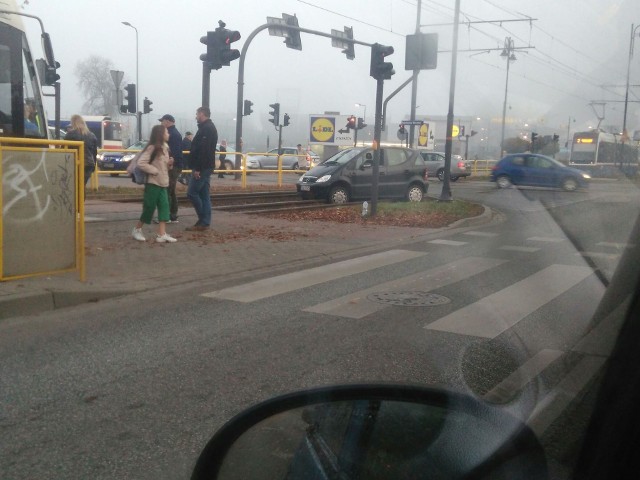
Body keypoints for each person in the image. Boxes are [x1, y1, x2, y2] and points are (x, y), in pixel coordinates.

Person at [131, 124, 177, 243]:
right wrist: (154, 171)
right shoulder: (153, 147)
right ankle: (137, 229)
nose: (169, 134)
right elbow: (141, 163)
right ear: (160, 134)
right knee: (149, 207)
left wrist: (170, 164)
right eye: (166, 132)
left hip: (163, 183)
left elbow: (164, 166)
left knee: (164, 207)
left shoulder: (165, 148)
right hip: (153, 183)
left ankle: (161, 234)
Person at [186, 106, 217, 231]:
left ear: (202, 114)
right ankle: (205, 222)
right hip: (206, 166)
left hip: (202, 167)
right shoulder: (207, 128)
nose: (196, 116)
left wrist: (198, 168)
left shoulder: (207, 129)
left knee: (192, 193)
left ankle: (203, 219)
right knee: (204, 195)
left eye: (197, 113)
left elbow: (204, 150)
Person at [158, 114, 183, 223]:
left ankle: (168, 215)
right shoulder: (173, 133)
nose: (161, 123)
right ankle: (171, 215)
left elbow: (175, 151)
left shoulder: (173, 134)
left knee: (168, 190)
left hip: (172, 166)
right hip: (173, 164)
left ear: (167, 121)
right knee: (170, 190)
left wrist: (172, 160)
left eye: (162, 121)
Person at [64, 114, 98, 192]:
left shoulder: (70, 135)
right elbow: (94, 153)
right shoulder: (92, 135)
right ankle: (81, 203)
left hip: (76, 164)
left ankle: (77, 203)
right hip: (89, 165)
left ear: (73, 123)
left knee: (75, 187)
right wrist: (93, 166)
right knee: (82, 187)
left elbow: (64, 150)